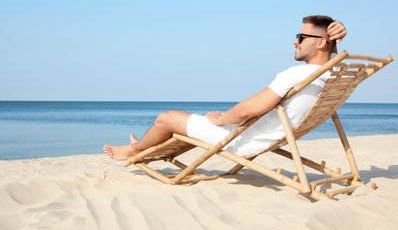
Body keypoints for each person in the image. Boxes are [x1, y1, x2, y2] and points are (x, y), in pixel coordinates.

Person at [104, 15, 347, 160]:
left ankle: (134, 150)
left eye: (301, 37)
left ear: (322, 43)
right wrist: (339, 34)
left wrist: (220, 120)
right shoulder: (332, 74)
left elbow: (244, 112)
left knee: (166, 118)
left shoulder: (297, 74)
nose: (295, 41)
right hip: (267, 137)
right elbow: (333, 57)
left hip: (242, 141)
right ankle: (150, 148)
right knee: (194, 121)